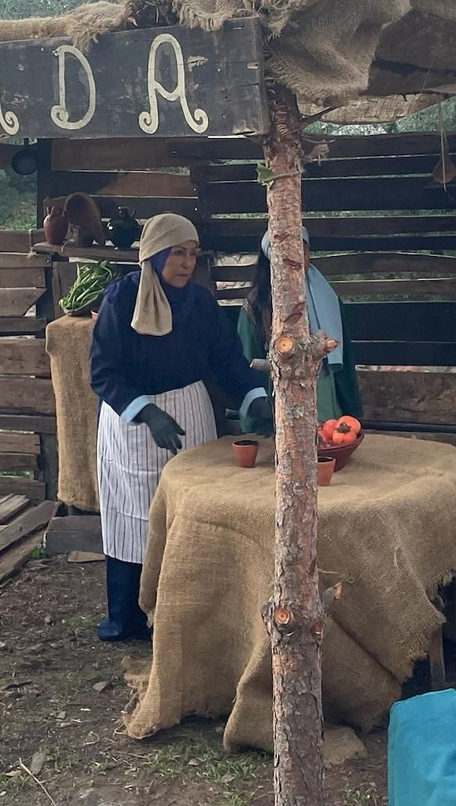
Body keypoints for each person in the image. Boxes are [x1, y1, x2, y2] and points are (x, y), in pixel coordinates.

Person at [88, 213, 268, 641]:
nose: (186, 263)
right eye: (177, 253)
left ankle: (189, 615)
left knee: (191, 513)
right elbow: (103, 372)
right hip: (133, 421)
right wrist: (147, 412)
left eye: (193, 254)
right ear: (154, 254)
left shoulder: (200, 303)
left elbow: (226, 359)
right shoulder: (121, 300)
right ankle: (130, 617)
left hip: (187, 411)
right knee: (137, 516)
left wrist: (253, 397)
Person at [237, 227, 361, 432]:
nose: (295, 259)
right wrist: (259, 415)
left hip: (324, 394)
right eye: (285, 252)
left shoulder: (327, 298)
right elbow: (247, 358)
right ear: (271, 258)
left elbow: (344, 357)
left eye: (301, 251)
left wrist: (349, 405)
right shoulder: (256, 305)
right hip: (280, 400)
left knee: (326, 449)